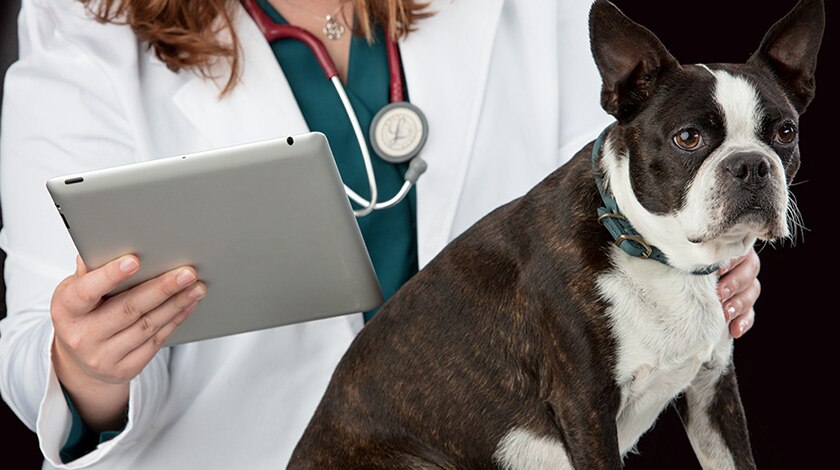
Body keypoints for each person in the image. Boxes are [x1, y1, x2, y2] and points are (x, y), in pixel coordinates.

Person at [0, 0, 762, 468]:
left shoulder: (540, 10)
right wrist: (87, 369)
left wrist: (702, 262)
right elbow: (38, 342)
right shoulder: (82, 31)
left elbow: (631, 209)